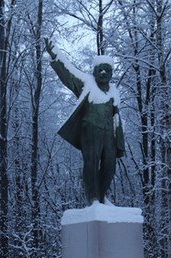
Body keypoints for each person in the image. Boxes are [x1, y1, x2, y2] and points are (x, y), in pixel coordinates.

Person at [45, 38, 125, 205]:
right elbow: (69, 74)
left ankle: (101, 196)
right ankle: (93, 197)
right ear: (94, 71)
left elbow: (116, 118)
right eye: (100, 69)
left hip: (109, 134)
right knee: (91, 162)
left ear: (111, 73)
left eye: (107, 70)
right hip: (91, 130)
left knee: (110, 166)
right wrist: (55, 55)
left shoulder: (114, 91)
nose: (103, 73)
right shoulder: (87, 83)